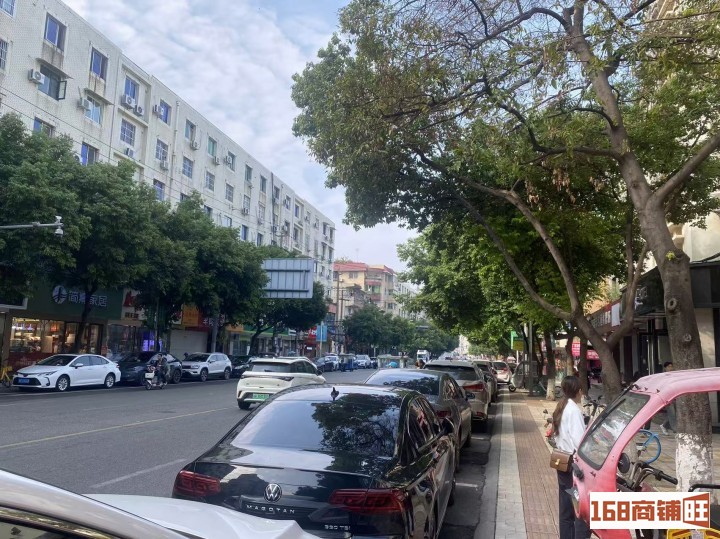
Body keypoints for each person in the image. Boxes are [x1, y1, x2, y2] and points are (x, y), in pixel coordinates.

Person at [552, 376, 591, 539]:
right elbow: (579, 442)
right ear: (578, 391)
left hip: (562, 462)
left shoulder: (562, 406)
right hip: (573, 469)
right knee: (579, 511)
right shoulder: (573, 410)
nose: (582, 393)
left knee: (566, 510)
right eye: (581, 390)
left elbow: (557, 436)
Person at [661, 361, 676, 435]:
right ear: (665, 368)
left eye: (671, 366)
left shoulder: (674, 375)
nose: (671, 368)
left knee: (675, 413)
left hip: (675, 396)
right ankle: (675, 430)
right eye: (669, 367)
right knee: (672, 413)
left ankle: (664, 425)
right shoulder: (663, 376)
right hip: (667, 397)